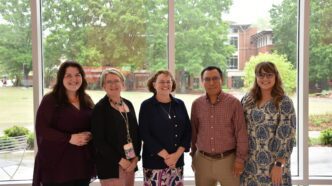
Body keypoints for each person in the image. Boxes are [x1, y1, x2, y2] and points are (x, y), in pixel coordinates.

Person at [33, 60, 95, 186]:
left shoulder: (86, 99)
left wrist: (92, 134)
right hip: (58, 165)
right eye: (68, 75)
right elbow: (42, 129)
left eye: (77, 75)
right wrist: (69, 138)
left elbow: (93, 123)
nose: (74, 79)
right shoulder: (50, 100)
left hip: (82, 164)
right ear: (61, 78)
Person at [191, 66, 248, 186]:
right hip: (202, 161)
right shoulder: (197, 104)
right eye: (207, 79)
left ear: (222, 80)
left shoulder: (233, 103)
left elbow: (241, 133)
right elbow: (193, 133)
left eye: (215, 78)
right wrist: (193, 157)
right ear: (202, 82)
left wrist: (239, 159)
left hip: (228, 161)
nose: (211, 83)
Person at [240, 61, 296, 186]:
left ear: (276, 76)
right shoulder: (247, 99)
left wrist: (279, 164)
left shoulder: (284, 102)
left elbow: (287, 136)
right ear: (256, 77)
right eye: (261, 75)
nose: (265, 79)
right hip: (249, 165)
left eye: (269, 75)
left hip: (274, 164)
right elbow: (239, 128)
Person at [139, 70, 191, 186]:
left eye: (168, 82)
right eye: (161, 82)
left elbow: (188, 131)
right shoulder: (146, 106)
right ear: (154, 84)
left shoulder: (180, 104)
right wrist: (167, 157)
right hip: (153, 163)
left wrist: (176, 156)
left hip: (176, 163)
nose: (165, 85)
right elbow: (144, 133)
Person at [91, 68, 141, 186]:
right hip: (111, 166)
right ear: (103, 86)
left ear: (122, 84)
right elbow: (99, 142)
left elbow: (136, 134)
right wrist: (121, 161)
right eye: (109, 82)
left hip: (130, 163)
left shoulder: (128, 104)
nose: (113, 84)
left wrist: (136, 158)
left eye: (116, 81)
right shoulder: (100, 108)